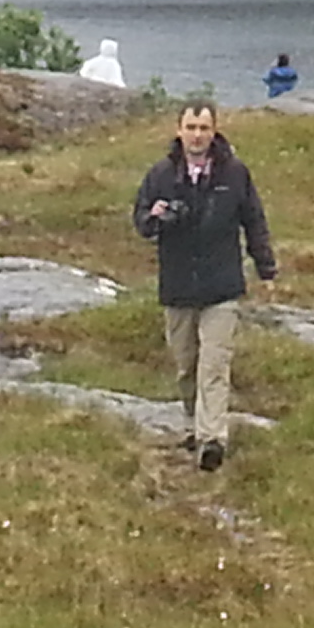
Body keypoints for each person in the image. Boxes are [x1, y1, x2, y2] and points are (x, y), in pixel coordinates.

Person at [131, 99, 276, 471]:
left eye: (204, 128)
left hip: (222, 286)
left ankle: (213, 439)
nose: (197, 136)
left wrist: (266, 269)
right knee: (187, 366)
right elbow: (141, 223)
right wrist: (157, 216)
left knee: (214, 364)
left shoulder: (235, 174)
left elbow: (254, 221)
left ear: (215, 132)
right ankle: (195, 425)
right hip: (178, 286)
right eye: (191, 128)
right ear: (179, 130)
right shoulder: (161, 175)